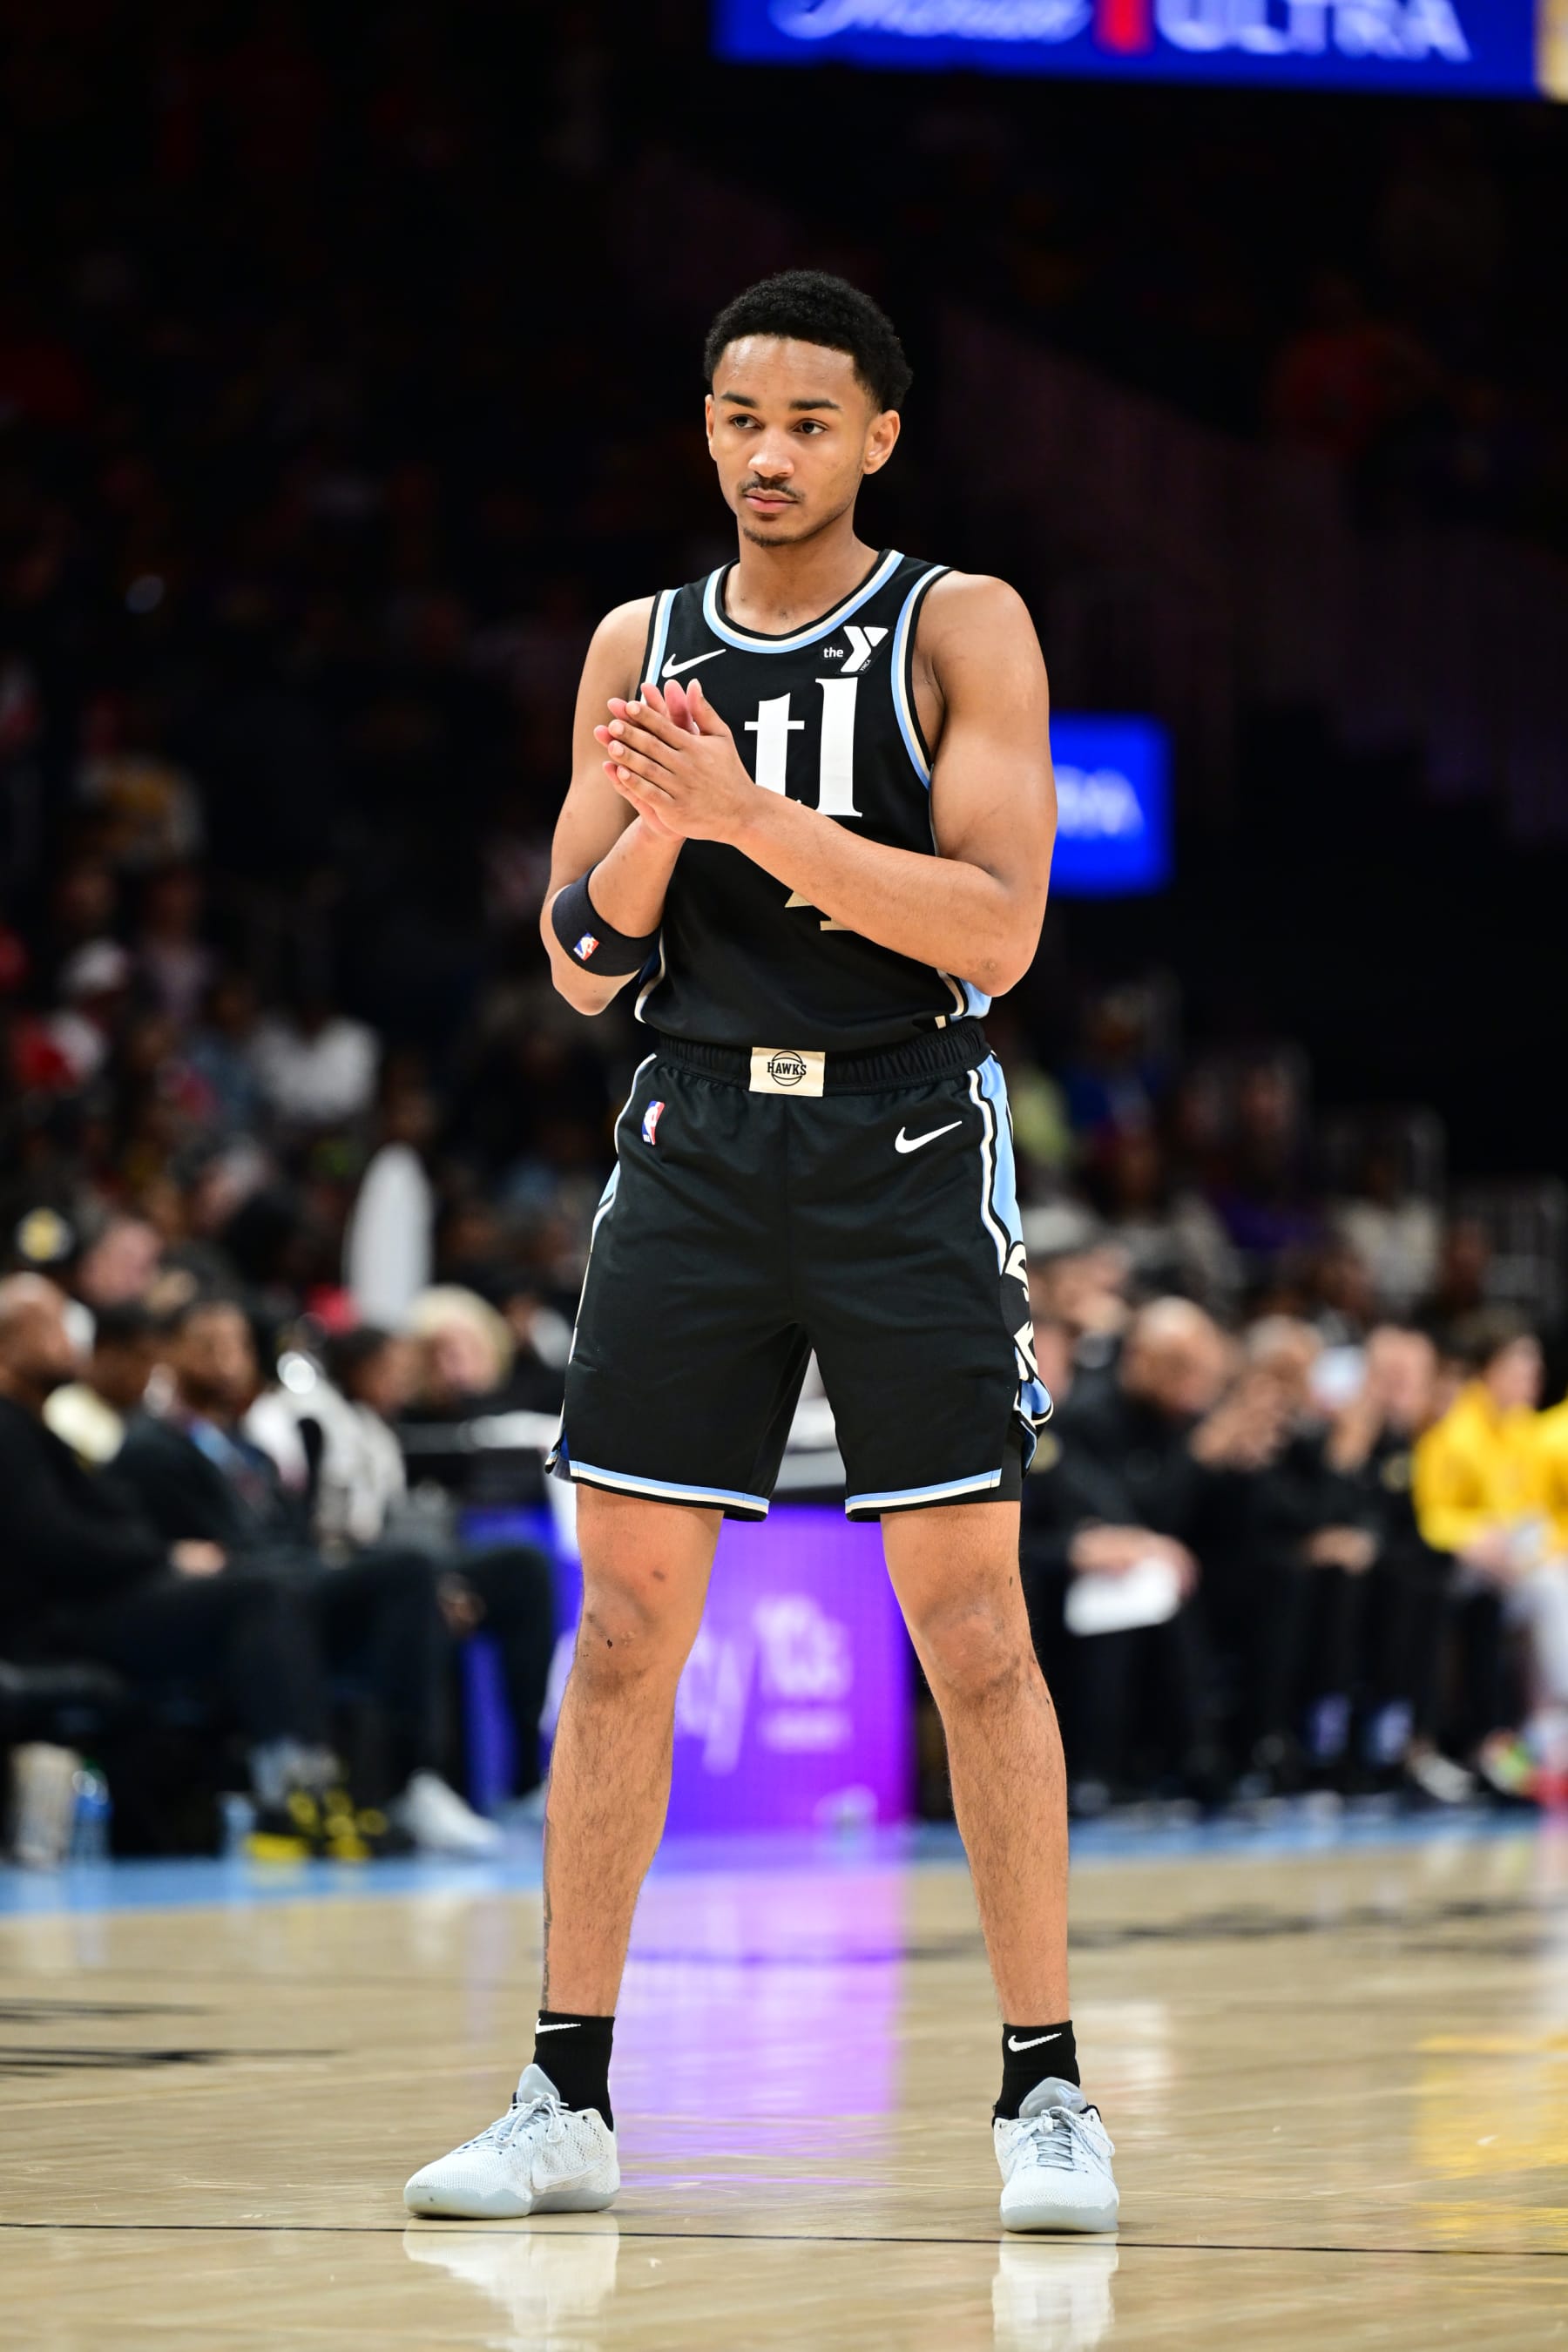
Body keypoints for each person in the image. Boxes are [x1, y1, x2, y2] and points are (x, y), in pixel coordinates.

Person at [404, 273, 1119, 2234]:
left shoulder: (960, 621)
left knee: (972, 1630)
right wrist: (660, 830)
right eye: (738, 417)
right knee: (626, 1625)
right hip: (694, 1134)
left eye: (808, 419)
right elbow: (576, 960)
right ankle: (562, 2094)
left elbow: (992, 927)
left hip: (901, 1131)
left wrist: (749, 813)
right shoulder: (640, 640)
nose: (769, 452)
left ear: (882, 433)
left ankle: (1045, 2094)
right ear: (706, 431)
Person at [115, 1296, 502, 1855]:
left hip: (294, 1583)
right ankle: (383, 1782)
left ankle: (427, 1783)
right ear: (169, 1355)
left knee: (441, 1578)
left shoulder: (248, 1450)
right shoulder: (151, 1447)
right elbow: (200, 1554)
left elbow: (295, 1538)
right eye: (209, 1347)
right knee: (406, 1569)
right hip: (235, 1606)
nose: (227, 1361)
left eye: (237, 1346)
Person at [0, 1275, 348, 1858]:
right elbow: (57, 1543)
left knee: (265, 1592)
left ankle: (307, 1781)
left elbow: (104, 1526)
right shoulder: (8, 1431)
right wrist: (162, 1555)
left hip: (96, 1605)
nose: (70, 1340)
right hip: (59, 1626)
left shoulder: (39, 1430)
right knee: (255, 1595)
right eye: (51, 1326)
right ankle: (290, 1790)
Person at [1413, 1313, 1568, 1795]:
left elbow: (1539, 1516)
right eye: (1521, 1367)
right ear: (1490, 1372)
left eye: (1535, 1367)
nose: (1531, 1378)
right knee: (1549, 1590)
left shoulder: (1524, 1432)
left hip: (1516, 1565)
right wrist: (1478, 1535)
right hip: (1459, 1569)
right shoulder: (1454, 1433)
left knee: (1552, 1583)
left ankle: (1547, 1739)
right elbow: (1433, 1515)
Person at [43, 1300, 160, 1464]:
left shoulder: (148, 1420)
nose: (147, 1373)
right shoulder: (62, 1414)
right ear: (104, 1350)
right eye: (141, 1358)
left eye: (152, 1362)